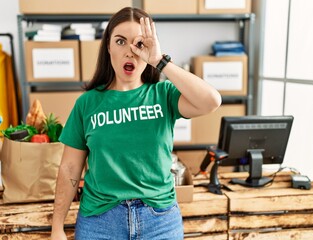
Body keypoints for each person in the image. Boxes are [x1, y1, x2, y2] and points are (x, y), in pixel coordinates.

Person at [51, 6, 221, 240]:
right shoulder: (87, 104)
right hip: (100, 222)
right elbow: (70, 168)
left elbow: (211, 101)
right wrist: (57, 227)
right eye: (120, 42)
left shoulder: (164, 95)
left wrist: (159, 61)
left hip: (160, 220)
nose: (130, 52)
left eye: (139, 44)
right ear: (108, 46)